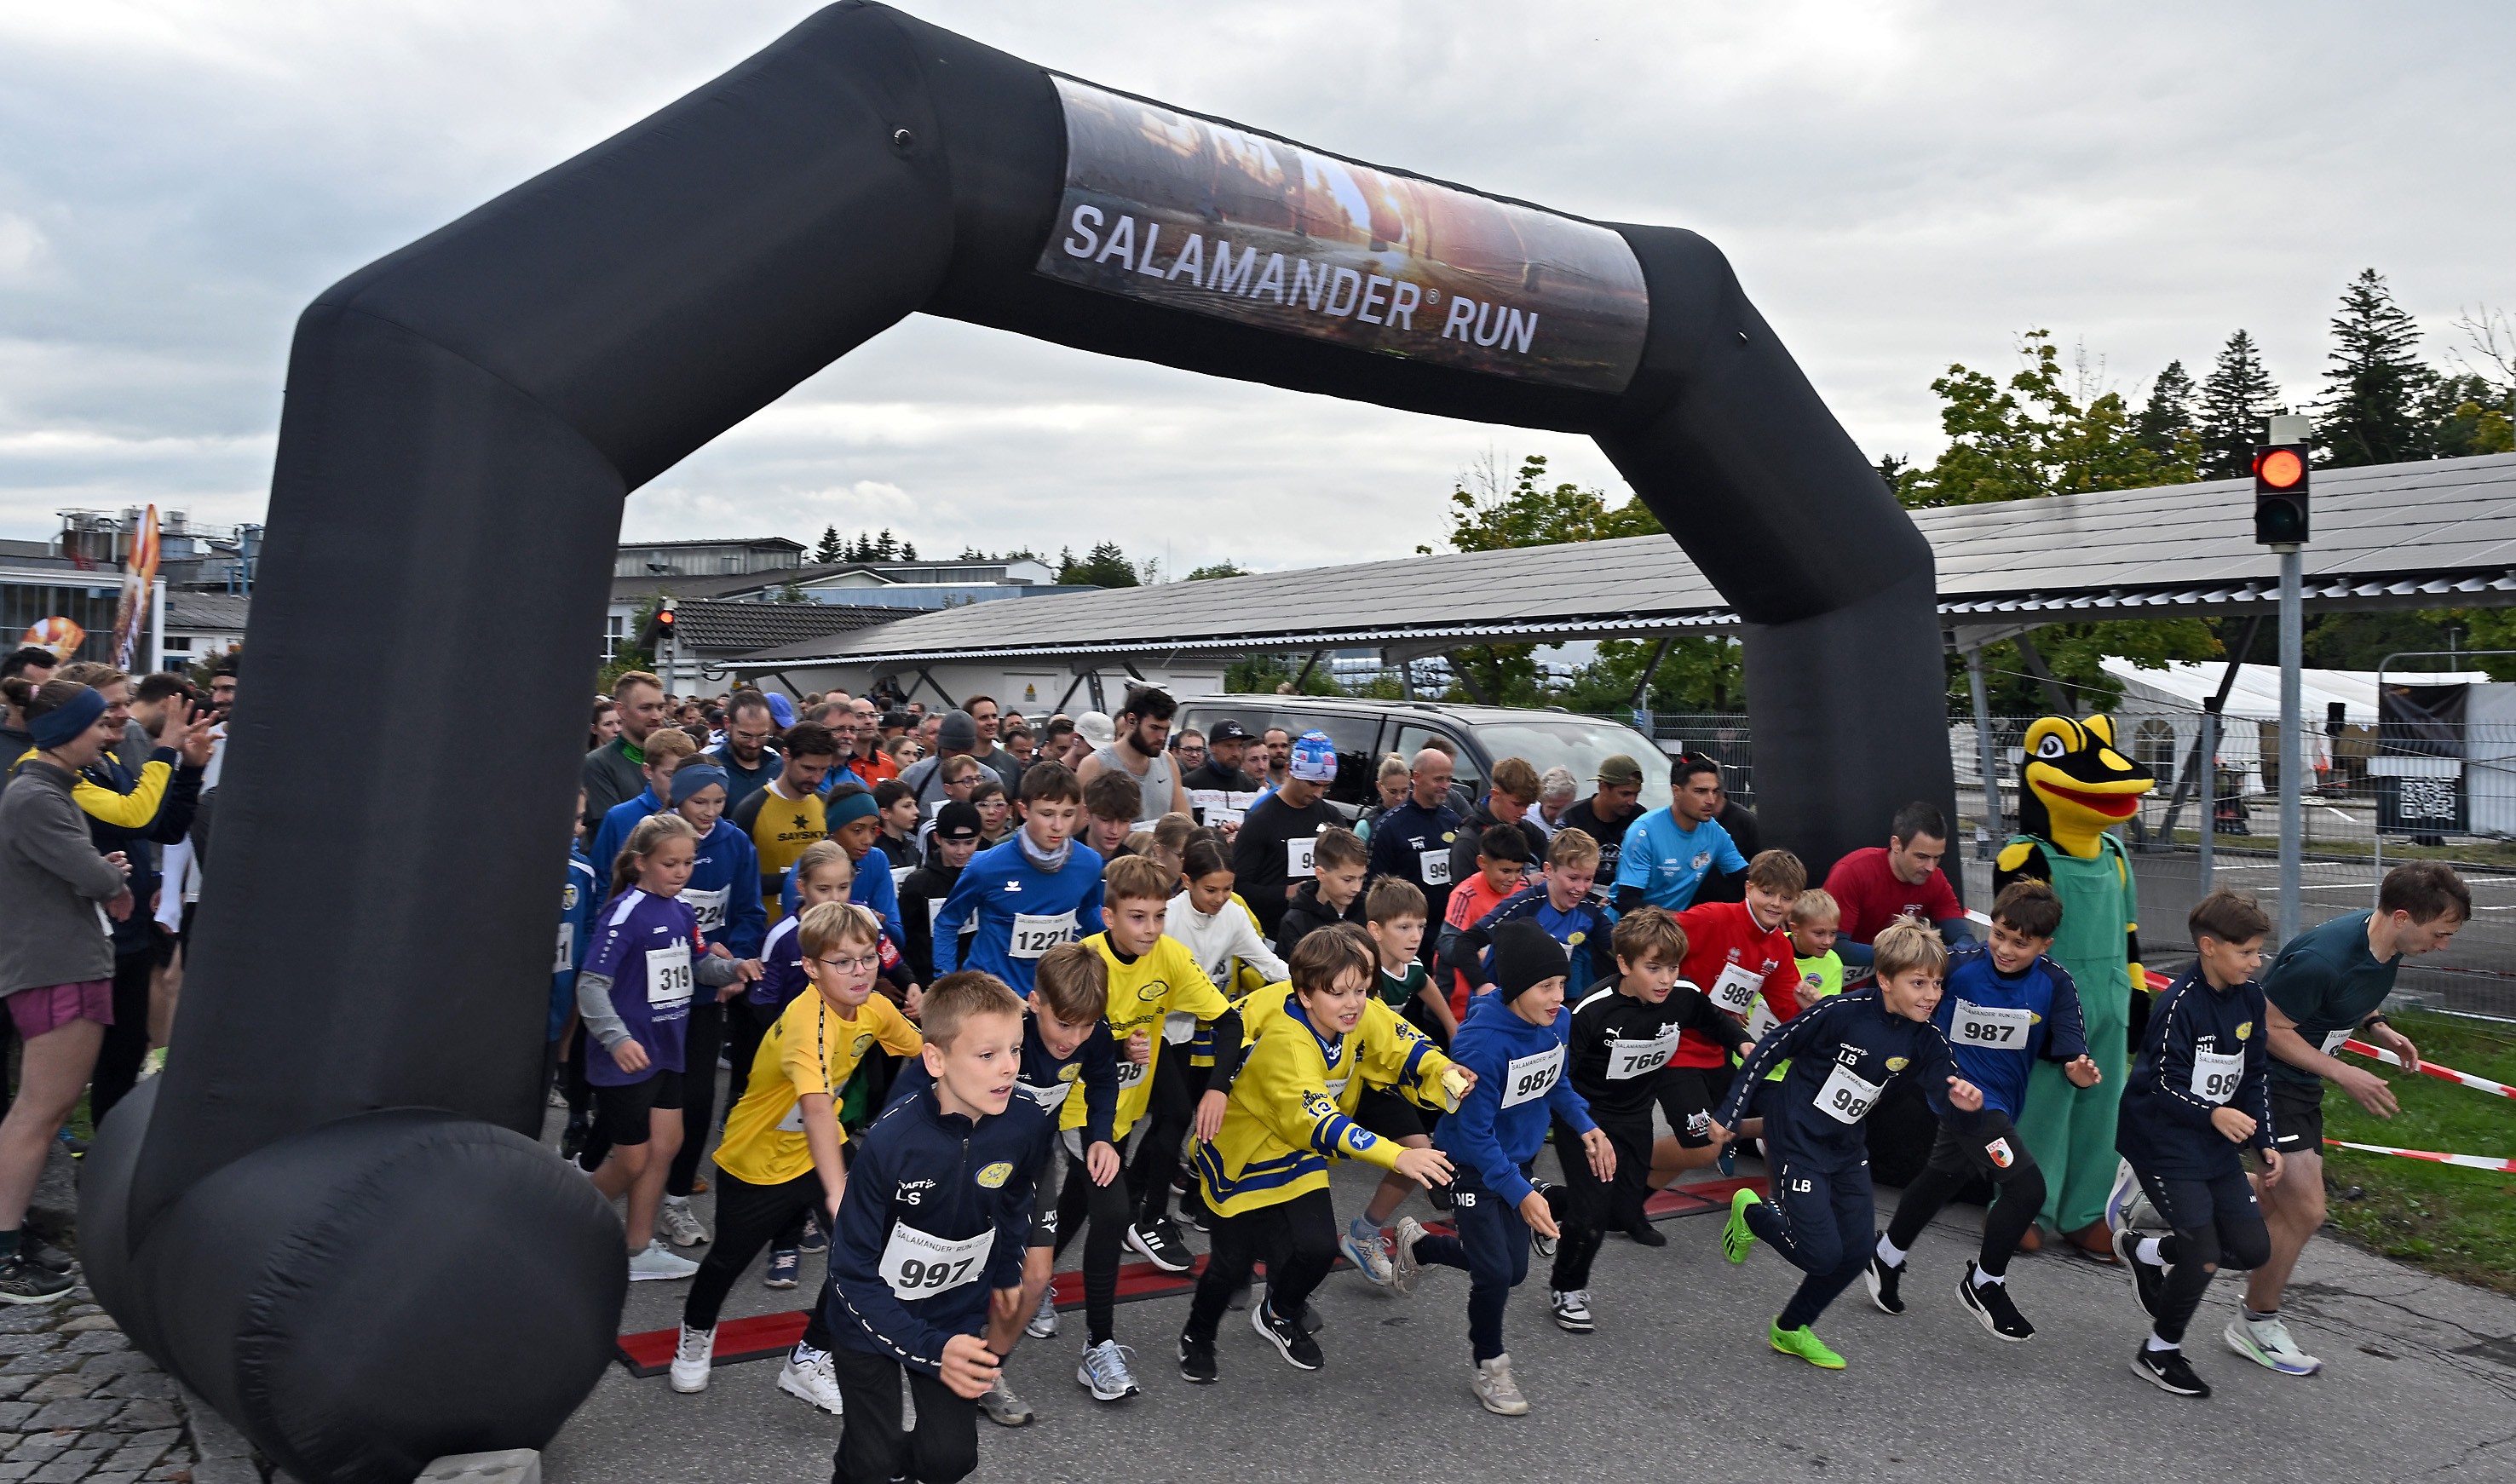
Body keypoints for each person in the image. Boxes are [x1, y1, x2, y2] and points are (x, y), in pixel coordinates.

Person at [1179, 926, 1460, 1382]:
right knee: (1231, 1267)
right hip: (1244, 1156)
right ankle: (1197, 1333)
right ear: (1305, 995)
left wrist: (1444, 1071)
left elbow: (1402, 1043)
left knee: (1318, 1248)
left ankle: (1279, 1312)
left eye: (1360, 989)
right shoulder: (1285, 1044)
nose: (1353, 1003)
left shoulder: (1357, 1012)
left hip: (1298, 1151)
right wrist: (1398, 1157)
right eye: (1338, 993)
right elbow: (1321, 1122)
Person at [673, 901, 919, 1412]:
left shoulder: (874, 1007)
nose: (860, 972)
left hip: (817, 1153)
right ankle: (696, 1331)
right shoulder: (807, 1024)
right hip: (757, 1161)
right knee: (726, 1260)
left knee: (871, 1253)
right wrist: (839, 1192)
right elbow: (815, 1107)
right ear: (811, 968)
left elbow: (923, 1050)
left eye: (868, 958)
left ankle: (808, 1358)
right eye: (843, 962)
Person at [2231, 861, 2465, 1378]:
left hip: (2299, 1083)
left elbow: (2345, 994)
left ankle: (2163, 1179)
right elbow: (2269, 1026)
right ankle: (2257, 1321)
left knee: (2275, 1196)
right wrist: (2345, 1073)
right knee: (2307, 1209)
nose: (2442, 945)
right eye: (2439, 934)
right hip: (2264, 1078)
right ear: (2403, 917)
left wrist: (2378, 1026)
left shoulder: (2384, 940)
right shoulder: (2323, 958)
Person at [1715, 920, 1984, 1369]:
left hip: (1845, 1147)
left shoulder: (1926, 1037)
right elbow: (1770, 1049)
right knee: (1820, 1255)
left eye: (1937, 984)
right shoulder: (1839, 1012)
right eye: (1918, 983)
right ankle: (1752, 1212)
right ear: (1884, 979)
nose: (1931, 995)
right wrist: (1730, 1112)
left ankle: (1790, 1328)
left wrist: (1965, 1103)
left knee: (1857, 1251)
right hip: (1795, 1138)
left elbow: (1947, 1094)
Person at [823, 971, 1046, 1484]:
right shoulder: (889, 1142)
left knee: (951, 1460)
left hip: (953, 1311)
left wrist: (1009, 1270)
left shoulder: (1027, 1123)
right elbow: (850, 1272)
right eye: (987, 1055)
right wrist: (931, 1350)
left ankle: (872, 1458)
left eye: (1015, 1049)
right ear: (936, 1061)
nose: (1009, 1068)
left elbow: (1017, 1196)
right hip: (868, 1313)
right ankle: (863, 1461)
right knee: (872, 1462)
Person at [1389, 920, 1608, 1415]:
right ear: (1515, 988)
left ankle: (1421, 1245)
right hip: (1470, 1164)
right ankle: (1491, 1366)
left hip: (1516, 1159)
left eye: (1561, 985)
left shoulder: (1558, 1021)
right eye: (1546, 987)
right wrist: (1522, 1192)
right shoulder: (1480, 1046)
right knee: (1494, 1274)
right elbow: (1473, 1134)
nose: (1558, 997)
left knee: (1511, 1272)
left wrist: (1586, 1126)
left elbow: (1557, 1084)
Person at [1866, 881, 2097, 1341]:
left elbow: (2071, 1055)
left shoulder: (2054, 983)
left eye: (2021, 943)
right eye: (1999, 934)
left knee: (1944, 1176)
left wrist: (2079, 1072)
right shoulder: (1960, 967)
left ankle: (1885, 1255)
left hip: (2001, 1101)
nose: (2005, 949)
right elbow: (1907, 991)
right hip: (1956, 1095)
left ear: (2045, 944)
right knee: (2027, 1190)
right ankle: (1985, 1282)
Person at [1060, 857, 1241, 1378]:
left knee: (1076, 1201)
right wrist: (1117, 1045)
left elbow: (1227, 1023)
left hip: (1122, 1113)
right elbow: (1059, 1044)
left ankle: (1036, 1272)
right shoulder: (1083, 960)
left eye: (1159, 915)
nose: (1151, 929)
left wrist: (1217, 1090)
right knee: (1113, 1212)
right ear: (1108, 916)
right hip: (1077, 1109)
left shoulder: (1170, 957)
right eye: (1138, 917)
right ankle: (1099, 1348)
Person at [2111, 890, 2281, 1399]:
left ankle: (2144, 1248)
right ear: (2209, 947)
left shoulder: (2251, 998)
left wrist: (2263, 1141)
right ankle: (2159, 1351)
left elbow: (2254, 1078)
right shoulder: (2178, 1004)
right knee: (2203, 1252)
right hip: (2163, 1141)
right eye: (2245, 952)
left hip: (2212, 1141)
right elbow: (2161, 1085)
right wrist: (2213, 1112)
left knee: (2251, 1248)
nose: (2255, 963)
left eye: (2257, 953)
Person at [0, 677, 135, 1299]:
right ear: (64, 734)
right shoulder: (36, 795)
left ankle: (11, 1235)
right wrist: (109, 878)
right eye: (99, 725)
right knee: (38, 1114)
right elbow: (87, 875)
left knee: (40, 1113)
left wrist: (103, 875)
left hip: (61, 962)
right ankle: (4, 1249)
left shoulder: (43, 790)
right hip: (58, 968)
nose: (108, 736)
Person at [1546, 906, 1747, 1315]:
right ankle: (1568, 1289)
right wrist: (1582, 1126)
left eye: (1672, 967)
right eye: (1653, 968)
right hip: (1585, 1118)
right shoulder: (1592, 1010)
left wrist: (1743, 1043)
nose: (1666, 979)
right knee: (1591, 1217)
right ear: (1623, 963)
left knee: (1621, 1208)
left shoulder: (1683, 996)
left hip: (1635, 1114)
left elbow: (1714, 1020)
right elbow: (1559, 1078)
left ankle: (1542, 1197)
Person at [577, 813, 750, 1282]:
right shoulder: (625, 912)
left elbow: (696, 966)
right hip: (627, 1058)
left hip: (667, 1051)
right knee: (632, 1157)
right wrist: (617, 1039)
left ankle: (636, 1250)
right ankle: (567, 1224)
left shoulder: (682, 911)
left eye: (688, 863)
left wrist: (735, 969)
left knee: (666, 1145)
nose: (681, 872)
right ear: (641, 863)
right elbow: (591, 985)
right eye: (670, 863)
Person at [656, 763, 767, 1250]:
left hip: (704, 991)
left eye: (717, 802)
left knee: (698, 1099)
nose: (708, 812)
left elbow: (748, 912)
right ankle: (591, 1166)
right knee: (645, 1097)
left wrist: (734, 955)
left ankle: (675, 1200)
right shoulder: (654, 837)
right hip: (653, 992)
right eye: (698, 802)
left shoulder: (736, 843)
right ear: (678, 800)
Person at [1657, 849, 1809, 1182]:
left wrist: (1812, 1010)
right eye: (1767, 893)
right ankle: (1627, 1155)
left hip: (1718, 1050)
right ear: (1749, 888)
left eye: (1786, 897)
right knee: (1704, 1144)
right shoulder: (1711, 918)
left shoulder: (1779, 947)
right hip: (1673, 1045)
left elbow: (1787, 1009)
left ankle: (1631, 1207)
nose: (1775, 903)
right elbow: (1653, 938)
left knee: (1719, 1134)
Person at [933, 761, 1105, 1001]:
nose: (1058, 825)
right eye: (1047, 814)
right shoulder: (986, 866)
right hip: (992, 997)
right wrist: (944, 982)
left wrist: (1120, 937)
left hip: (1054, 995)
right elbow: (948, 922)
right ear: (1024, 810)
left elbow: (1088, 911)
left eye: (1068, 814)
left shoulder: (1090, 863)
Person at [1452, 828, 1613, 997]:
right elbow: (1465, 943)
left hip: (1545, 1006)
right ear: (1549, 871)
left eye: (1588, 879)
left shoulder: (1588, 911)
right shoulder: (1525, 905)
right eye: (1572, 878)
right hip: (1501, 1005)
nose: (1580, 888)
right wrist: (1483, 986)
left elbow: (1621, 949)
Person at [1822, 801, 1973, 969]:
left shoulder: (1935, 879)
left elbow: (1963, 938)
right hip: (1847, 980)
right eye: (1921, 857)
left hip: (1900, 974)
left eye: (1937, 857)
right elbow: (1833, 945)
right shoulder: (1852, 872)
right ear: (1896, 845)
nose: (1931, 867)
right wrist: (1905, 957)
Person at [1227, 731, 1342, 942]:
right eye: (1312, 784)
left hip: (1322, 934)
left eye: (1325, 786)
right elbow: (1238, 888)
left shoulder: (1331, 816)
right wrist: (1286, 892)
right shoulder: (1261, 819)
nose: (1318, 793)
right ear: (1290, 771)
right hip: (1272, 935)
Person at [728, 720, 840, 920]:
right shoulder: (751, 809)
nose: (816, 778)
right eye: (808, 768)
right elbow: (737, 881)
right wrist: (797, 879)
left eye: (823, 770)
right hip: (767, 929)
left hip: (821, 929)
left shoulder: (828, 806)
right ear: (786, 756)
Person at [1610, 755, 1746, 916]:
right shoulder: (1644, 831)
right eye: (1700, 791)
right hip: (1626, 929)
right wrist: (1686, 920)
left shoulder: (1714, 832)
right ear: (1676, 791)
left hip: (1673, 930)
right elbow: (1629, 903)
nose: (1711, 800)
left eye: (1715, 791)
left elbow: (1748, 880)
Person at [1435, 825, 1534, 1021]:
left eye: (1519, 870)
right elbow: (1446, 944)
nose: (1513, 878)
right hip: (1459, 1003)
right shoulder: (1466, 895)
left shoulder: (1523, 889)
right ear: (1482, 863)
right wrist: (1486, 955)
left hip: (1503, 1000)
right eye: (1505, 871)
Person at [1365, 747, 1465, 932]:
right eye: (1438, 779)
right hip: (1407, 931)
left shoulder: (1453, 821)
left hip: (1446, 929)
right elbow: (1372, 889)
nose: (1445, 785)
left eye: (1449, 779)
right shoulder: (1389, 826)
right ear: (1417, 778)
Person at [589, 727, 700, 877]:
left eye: (686, 775)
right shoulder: (619, 817)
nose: (679, 783)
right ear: (648, 771)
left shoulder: (701, 815)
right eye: (670, 775)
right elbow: (603, 877)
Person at [1076, 685, 1189, 821]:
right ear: (1132, 721)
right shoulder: (1094, 764)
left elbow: (1185, 823)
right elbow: (1077, 826)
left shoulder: (1168, 762)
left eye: (1166, 729)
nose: (1162, 737)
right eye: (1154, 728)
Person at [903, 802, 984, 983]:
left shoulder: (987, 879)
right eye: (952, 843)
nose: (961, 851)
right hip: (930, 983)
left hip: (979, 981)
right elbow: (906, 942)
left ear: (979, 838)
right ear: (938, 839)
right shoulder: (918, 884)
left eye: (969, 843)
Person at [1445, 757, 1548, 893]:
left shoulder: (1526, 829)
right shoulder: (1468, 841)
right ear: (1495, 794)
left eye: (1528, 805)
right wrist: (1525, 883)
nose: (1524, 812)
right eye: (1517, 804)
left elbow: (1555, 862)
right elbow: (1466, 897)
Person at [584, 670, 669, 826]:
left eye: (661, 707)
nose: (656, 716)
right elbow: (610, 830)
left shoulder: (676, 759)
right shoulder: (597, 764)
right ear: (621, 710)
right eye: (646, 708)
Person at [1275, 825, 1369, 957]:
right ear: (1320, 874)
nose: (1357, 888)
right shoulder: (1296, 923)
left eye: (1361, 878)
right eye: (1348, 880)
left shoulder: (1370, 909)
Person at [1556, 755, 1647, 887]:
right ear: (1603, 787)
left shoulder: (1640, 819)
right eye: (1625, 794)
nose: (1632, 802)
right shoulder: (1571, 818)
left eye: (1636, 794)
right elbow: (1556, 871)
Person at [707, 692, 783, 810]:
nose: (753, 744)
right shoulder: (709, 768)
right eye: (745, 735)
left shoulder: (780, 767)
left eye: (762, 735)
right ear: (727, 723)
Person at [899, 710, 982, 813]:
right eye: (953, 750)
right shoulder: (913, 775)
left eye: (965, 750)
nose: (959, 755)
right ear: (941, 744)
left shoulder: (988, 776)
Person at [959, 693, 1021, 792]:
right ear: (969, 722)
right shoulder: (957, 763)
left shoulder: (1011, 763)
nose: (991, 722)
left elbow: (1015, 805)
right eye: (984, 717)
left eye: (994, 716)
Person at [1080, 770, 1141, 860]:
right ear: (1087, 813)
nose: (1114, 831)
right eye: (1105, 820)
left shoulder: (1134, 867)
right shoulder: (1063, 857)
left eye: (1124, 821)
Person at [872, 779, 921, 871]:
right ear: (885, 813)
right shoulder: (875, 854)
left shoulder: (913, 849)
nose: (916, 811)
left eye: (915, 805)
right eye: (907, 806)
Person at [1525, 767, 1579, 840]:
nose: (1560, 814)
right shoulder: (1524, 818)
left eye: (1566, 808)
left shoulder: (1579, 825)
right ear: (1541, 800)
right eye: (1554, 808)